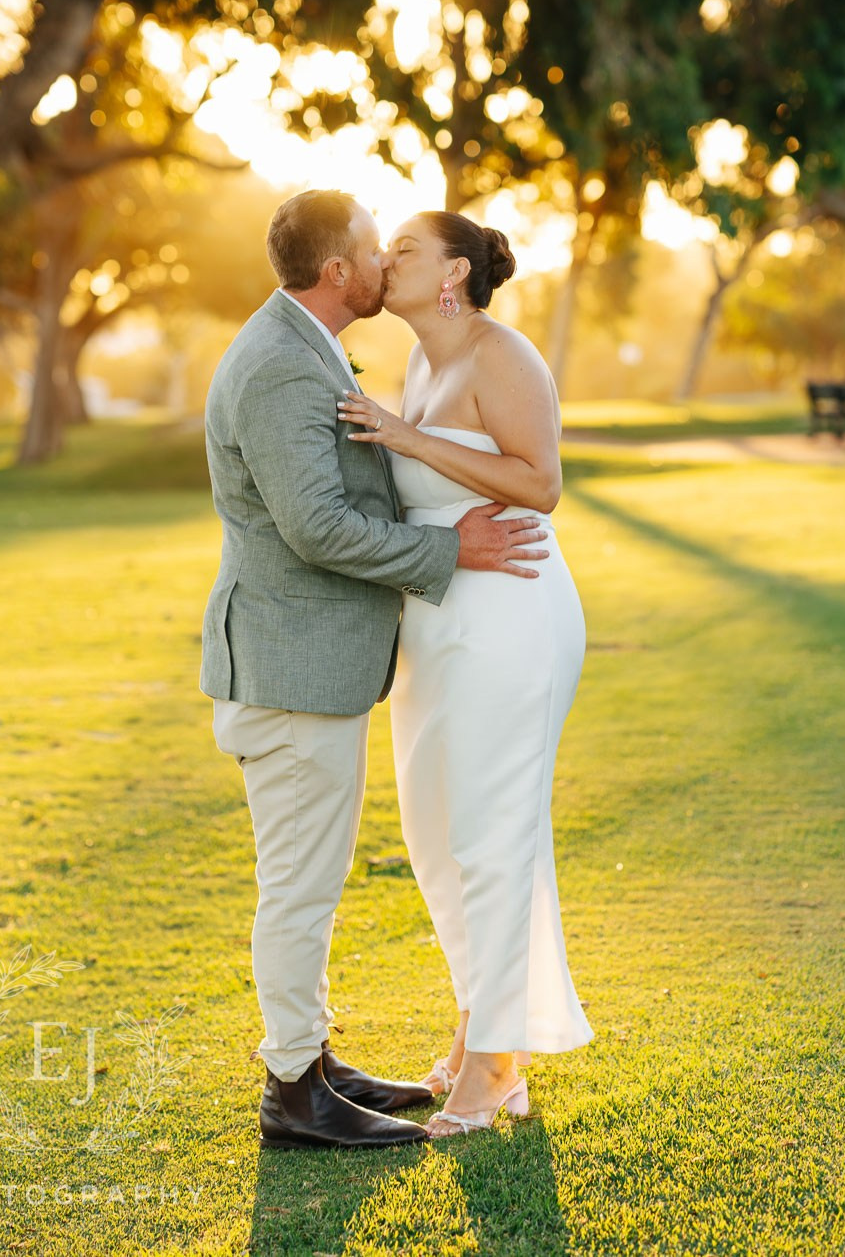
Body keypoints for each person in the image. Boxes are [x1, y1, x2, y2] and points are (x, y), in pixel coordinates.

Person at [200, 190, 551, 1150]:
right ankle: (294, 1093)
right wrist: (448, 555)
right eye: (372, 250)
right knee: (301, 887)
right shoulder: (281, 364)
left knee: (310, 877)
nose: (383, 263)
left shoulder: (309, 346)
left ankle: (311, 1063)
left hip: (321, 668)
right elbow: (314, 527)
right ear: (337, 273)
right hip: (289, 672)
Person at [337, 209, 593, 1137]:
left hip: (513, 620)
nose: (384, 259)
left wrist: (404, 439)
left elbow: (540, 482)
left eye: (403, 249)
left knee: (492, 832)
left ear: (453, 272)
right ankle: (478, 1026)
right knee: (438, 832)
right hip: (438, 626)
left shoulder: (502, 355)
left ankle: (495, 1066)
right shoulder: (418, 362)